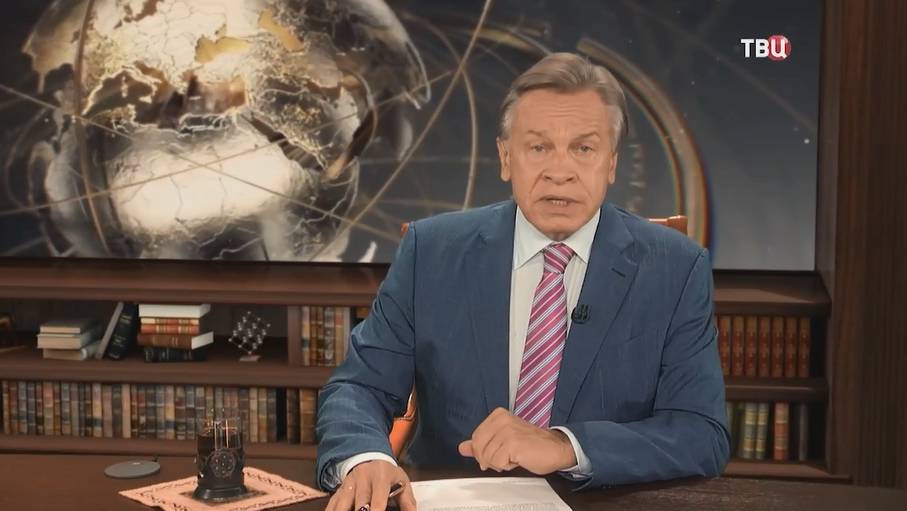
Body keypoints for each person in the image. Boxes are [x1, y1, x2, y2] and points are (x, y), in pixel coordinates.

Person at [316, 52, 731, 511]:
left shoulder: (675, 268)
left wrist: (565, 445)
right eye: (538, 147)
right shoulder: (431, 251)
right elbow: (359, 386)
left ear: (611, 164)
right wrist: (366, 458)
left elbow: (701, 434)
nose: (560, 171)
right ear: (505, 158)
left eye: (584, 149)